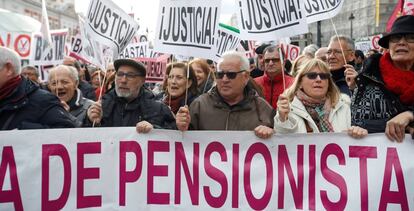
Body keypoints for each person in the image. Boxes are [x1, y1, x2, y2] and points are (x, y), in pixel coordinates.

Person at [175, 51, 275, 139]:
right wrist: (181, 128)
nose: (224, 80)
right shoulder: (200, 105)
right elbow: (183, 146)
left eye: (231, 75)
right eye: (220, 74)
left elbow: (280, 146)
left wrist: (272, 133)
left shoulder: (262, 109)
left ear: (245, 77)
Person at [347, 15, 414, 142]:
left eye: (411, 38)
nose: (401, 42)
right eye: (395, 38)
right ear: (389, 45)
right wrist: (402, 126)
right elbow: (358, 122)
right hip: (385, 159)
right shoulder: (368, 77)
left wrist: (409, 115)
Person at [274, 58, 367, 138]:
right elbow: (284, 144)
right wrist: (283, 119)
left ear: (328, 82)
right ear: (300, 83)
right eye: (312, 76)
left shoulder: (344, 104)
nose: (318, 79)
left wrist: (358, 131)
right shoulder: (287, 107)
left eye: (323, 76)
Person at [87, 59, 176, 132]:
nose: (123, 80)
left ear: (142, 80)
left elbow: (175, 137)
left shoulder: (158, 109)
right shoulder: (102, 105)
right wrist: (90, 121)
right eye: (120, 74)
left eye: (130, 76)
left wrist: (155, 130)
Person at [0, 47, 75, 130]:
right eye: (54, 83)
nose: (59, 86)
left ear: (8, 69)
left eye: (65, 82)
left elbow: (66, 134)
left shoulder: (44, 101)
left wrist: (22, 132)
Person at [254, 45, 294, 109]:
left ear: (283, 62)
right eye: (267, 60)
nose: (270, 63)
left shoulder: (293, 83)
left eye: (275, 60)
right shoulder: (254, 83)